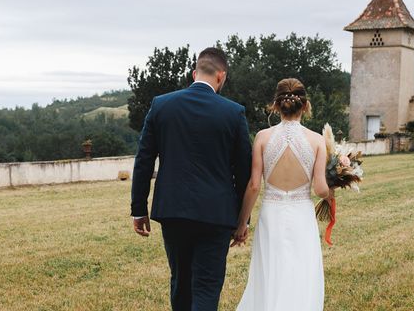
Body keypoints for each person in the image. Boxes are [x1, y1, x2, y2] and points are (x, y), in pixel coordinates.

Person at [130, 47, 252, 311]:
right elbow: (244, 171)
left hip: (173, 210)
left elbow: (144, 160)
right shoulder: (233, 113)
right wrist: (243, 219)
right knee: (207, 287)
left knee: (181, 282)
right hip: (217, 214)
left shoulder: (161, 105)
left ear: (195, 72)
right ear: (222, 76)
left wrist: (138, 209)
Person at [235, 78, 331, 311]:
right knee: (301, 274)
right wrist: (335, 185)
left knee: (270, 272)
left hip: (272, 214)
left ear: (275, 106)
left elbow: (254, 185)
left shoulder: (262, 137)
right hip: (301, 216)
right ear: (306, 106)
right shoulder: (317, 141)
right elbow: (320, 189)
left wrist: (241, 224)